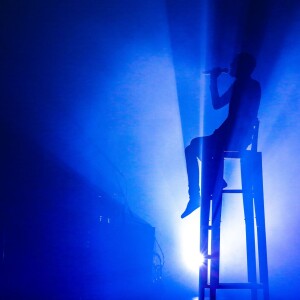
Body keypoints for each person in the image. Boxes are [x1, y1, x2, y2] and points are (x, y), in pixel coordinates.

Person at [181, 52, 261, 218]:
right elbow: (217, 104)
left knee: (193, 147)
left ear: (241, 67)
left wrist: (213, 78)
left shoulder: (246, 85)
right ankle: (212, 181)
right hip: (230, 136)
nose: (230, 67)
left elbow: (239, 115)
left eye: (234, 64)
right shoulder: (242, 85)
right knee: (193, 147)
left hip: (233, 137)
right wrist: (213, 80)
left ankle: (197, 195)